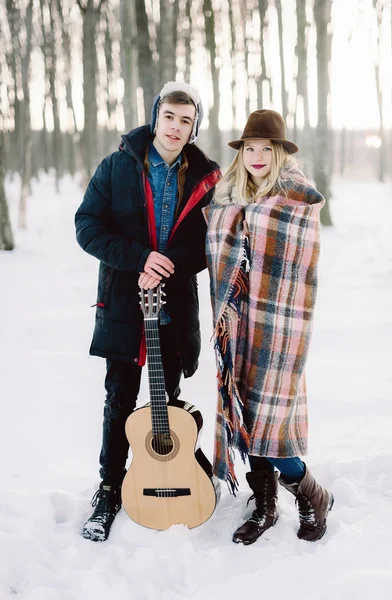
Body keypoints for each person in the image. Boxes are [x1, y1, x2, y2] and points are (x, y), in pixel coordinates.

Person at [75, 82, 221, 542]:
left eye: (186, 120)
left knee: (168, 403)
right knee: (119, 399)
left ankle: (170, 480)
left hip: (174, 304)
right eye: (170, 116)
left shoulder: (206, 176)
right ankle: (109, 488)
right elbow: (87, 226)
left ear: (195, 127)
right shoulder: (117, 166)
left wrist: (167, 265)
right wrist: (138, 258)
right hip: (123, 300)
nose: (176, 127)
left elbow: (209, 243)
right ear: (155, 116)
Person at [204, 109, 333, 545]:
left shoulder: (296, 198)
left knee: (271, 418)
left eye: (266, 149)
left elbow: (299, 263)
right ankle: (264, 504)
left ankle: (313, 494)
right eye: (250, 149)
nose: (257, 156)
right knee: (246, 411)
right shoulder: (227, 197)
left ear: (278, 153)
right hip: (237, 324)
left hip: (278, 325)